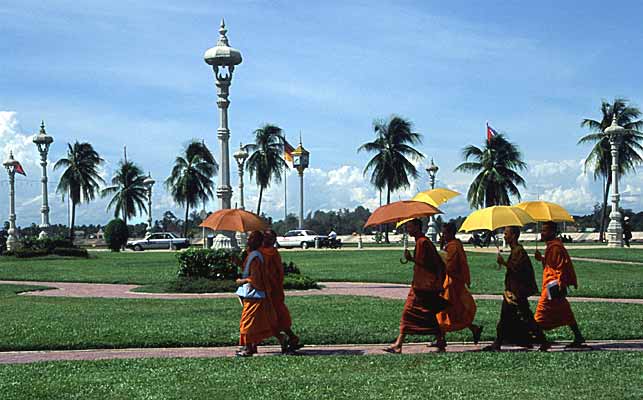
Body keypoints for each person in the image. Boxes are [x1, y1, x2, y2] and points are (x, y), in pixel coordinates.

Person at [384, 218, 448, 353]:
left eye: (410, 227)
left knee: (408, 312)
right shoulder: (422, 241)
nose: (408, 229)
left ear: (417, 227)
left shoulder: (422, 242)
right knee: (428, 314)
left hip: (423, 286)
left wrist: (410, 258)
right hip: (423, 285)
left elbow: (426, 264)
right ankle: (440, 340)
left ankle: (398, 344)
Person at [484, 226, 547, 351]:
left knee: (521, 317)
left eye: (506, 234)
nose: (504, 236)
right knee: (512, 317)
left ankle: (541, 340)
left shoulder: (518, 251)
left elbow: (517, 269)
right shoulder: (515, 250)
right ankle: (513, 341)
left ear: (513, 236)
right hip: (513, 290)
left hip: (516, 291)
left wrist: (503, 263)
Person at [534, 221, 587, 348]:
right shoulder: (552, 246)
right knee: (566, 313)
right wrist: (541, 259)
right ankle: (578, 337)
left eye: (545, 230)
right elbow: (551, 266)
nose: (542, 233)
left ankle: (542, 341)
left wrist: (560, 285)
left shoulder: (555, 247)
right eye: (542, 230)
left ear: (552, 232)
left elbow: (560, 268)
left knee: (539, 316)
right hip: (553, 285)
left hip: (552, 287)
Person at [236, 230, 288, 357]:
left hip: (255, 296)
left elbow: (255, 279)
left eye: (251, 238)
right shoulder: (255, 255)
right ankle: (282, 339)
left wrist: (241, 281)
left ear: (257, 241)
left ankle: (248, 348)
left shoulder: (255, 256)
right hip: (260, 295)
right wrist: (237, 262)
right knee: (266, 323)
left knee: (247, 323)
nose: (248, 240)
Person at [436, 222, 483, 347]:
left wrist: (441, 256)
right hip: (452, 281)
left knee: (443, 310)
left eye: (445, 233)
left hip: (452, 282)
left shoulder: (454, 246)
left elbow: (450, 266)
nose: (443, 235)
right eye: (443, 233)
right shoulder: (452, 245)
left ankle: (440, 339)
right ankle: (473, 328)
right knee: (455, 311)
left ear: (451, 233)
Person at [261, 228, 303, 352]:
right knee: (268, 317)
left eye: (270, 237)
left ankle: (289, 338)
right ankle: (288, 338)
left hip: (273, 289)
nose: (267, 239)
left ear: (274, 240)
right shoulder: (258, 252)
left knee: (277, 316)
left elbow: (278, 272)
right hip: (264, 288)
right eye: (265, 236)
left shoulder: (272, 253)